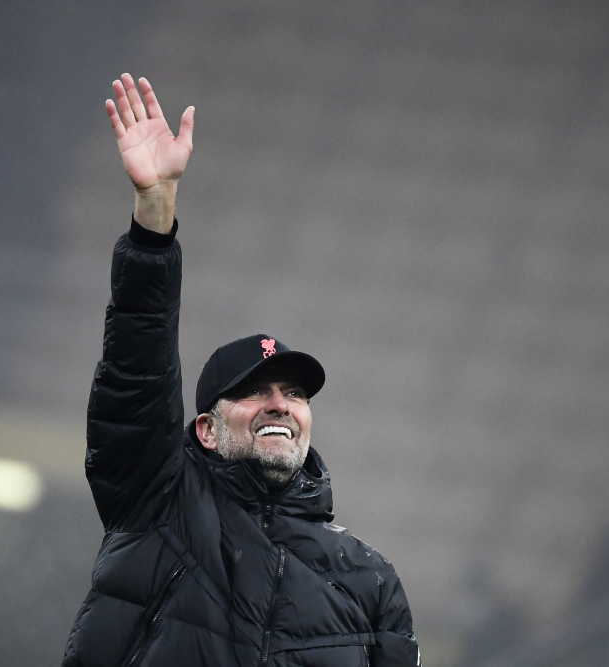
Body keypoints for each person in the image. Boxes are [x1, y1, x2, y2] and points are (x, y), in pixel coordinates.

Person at [61, 74, 419, 667]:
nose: (280, 403)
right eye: (254, 392)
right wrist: (155, 216)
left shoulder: (370, 579)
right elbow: (136, 376)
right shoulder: (160, 504)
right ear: (206, 430)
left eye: (295, 393)